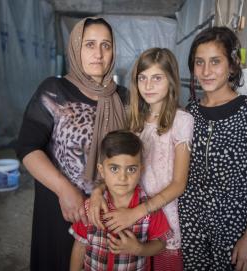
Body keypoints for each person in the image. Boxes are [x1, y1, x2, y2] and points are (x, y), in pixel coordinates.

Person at [15, 17, 127, 271]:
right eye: (89, 44)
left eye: (105, 45)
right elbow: (28, 147)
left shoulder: (124, 97)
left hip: (108, 214)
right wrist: (64, 189)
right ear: (75, 48)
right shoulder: (54, 89)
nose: (98, 54)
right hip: (61, 210)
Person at [88, 48, 194, 270]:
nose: (148, 85)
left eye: (157, 78)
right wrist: (97, 192)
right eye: (142, 78)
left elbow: (178, 184)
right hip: (129, 213)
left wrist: (137, 212)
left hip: (160, 218)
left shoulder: (182, 121)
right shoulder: (132, 119)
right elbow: (114, 163)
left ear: (172, 81)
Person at [178, 26, 247, 271]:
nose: (206, 71)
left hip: (233, 228)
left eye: (215, 61)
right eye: (199, 62)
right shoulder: (189, 113)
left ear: (232, 64)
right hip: (190, 226)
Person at [69, 130, 171, 271]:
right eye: (114, 168)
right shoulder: (91, 207)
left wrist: (139, 249)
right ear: (102, 170)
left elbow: (161, 244)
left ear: (141, 170)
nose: (123, 178)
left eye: (131, 169)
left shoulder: (150, 208)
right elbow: (80, 245)